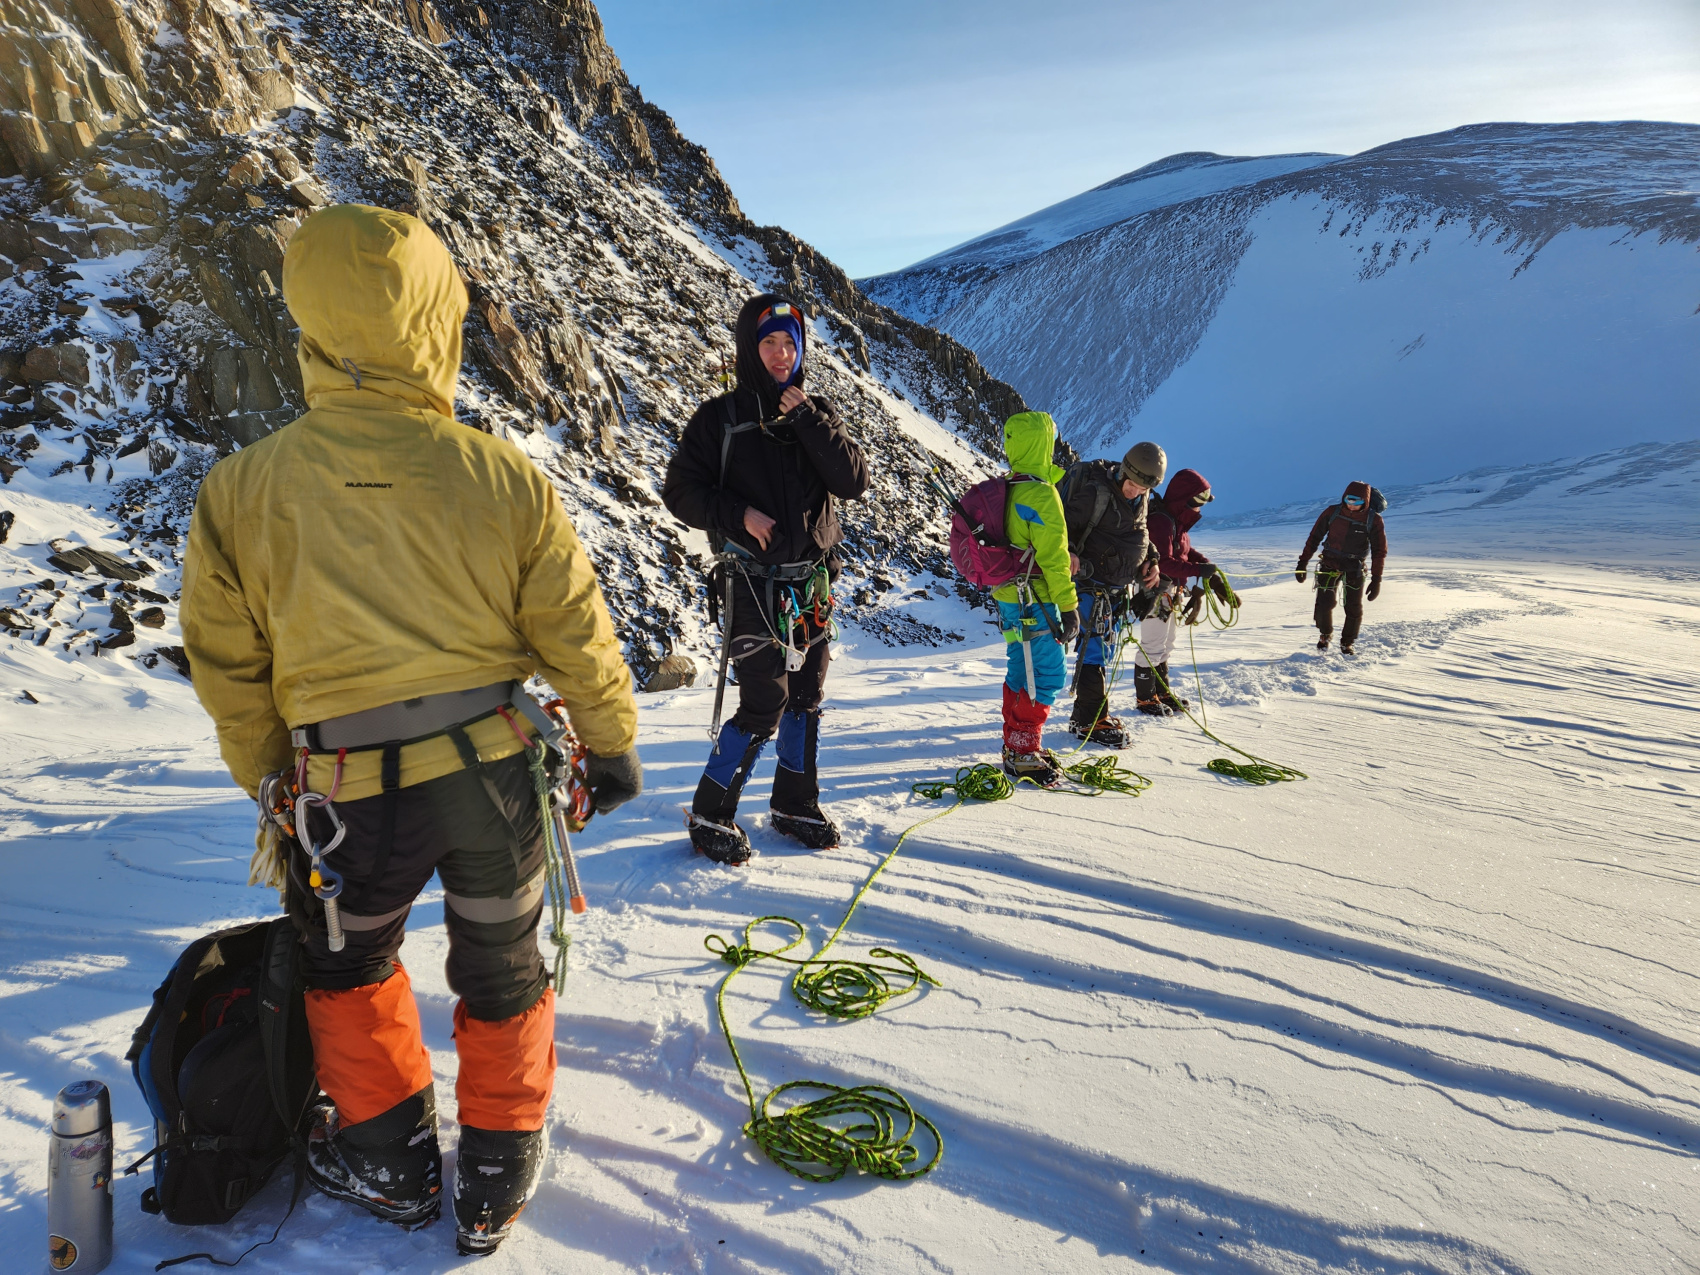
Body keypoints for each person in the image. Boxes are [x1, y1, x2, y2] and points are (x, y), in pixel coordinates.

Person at [181, 205, 643, 1257]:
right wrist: (610, 744)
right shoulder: (500, 474)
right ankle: (499, 1168)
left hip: (344, 795)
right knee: (502, 960)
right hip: (490, 780)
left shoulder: (241, 493)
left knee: (346, 966)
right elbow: (573, 627)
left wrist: (270, 786)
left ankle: (391, 1161)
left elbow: (233, 671)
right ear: (437, 317)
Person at [662, 293, 870, 864]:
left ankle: (795, 803)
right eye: (770, 342)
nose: (781, 354)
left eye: (791, 343)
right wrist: (738, 516)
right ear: (749, 349)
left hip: (810, 582)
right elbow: (680, 491)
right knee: (765, 699)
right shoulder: (720, 420)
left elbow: (852, 480)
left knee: (805, 694)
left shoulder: (816, 411)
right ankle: (711, 810)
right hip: (751, 581)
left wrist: (807, 420)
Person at [992, 411, 1080, 786]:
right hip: (1036, 599)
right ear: (1043, 444)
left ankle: (1016, 744)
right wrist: (1070, 606)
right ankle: (1024, 752)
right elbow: (1055, 559)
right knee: (1045, 673)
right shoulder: (1041, 494)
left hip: (1010, 596)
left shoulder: (1007, 488)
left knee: (1020, 664)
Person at [1062, 441, 1164, 747]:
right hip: (1092, 585)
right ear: (1122, 471)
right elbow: (1060, 527)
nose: (1133, 492)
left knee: (1102, 650)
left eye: (1141, 489)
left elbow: (1140, 534)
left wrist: (1152, 559)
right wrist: (1067, 552)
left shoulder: (1141, 500)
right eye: (1131, 485)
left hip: (1115, 591)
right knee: (1093, 649)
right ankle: (1089, 721)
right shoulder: (1096, 492)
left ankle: (1086, 716)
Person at [1137, 468, 1228, 715]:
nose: (1200, 508)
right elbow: (1163, 562)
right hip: (1155, 592)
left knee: (1166, 643)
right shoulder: (1161, 522)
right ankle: (1145, 698)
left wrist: (1203, 563)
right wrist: (1199, 569)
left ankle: (1161, 691)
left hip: (1170, 592)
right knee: (1153, 644)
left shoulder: (1176, 522)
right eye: (1198, 501)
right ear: (1184, 499)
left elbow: (1183, 551)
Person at [1296, 480, 1387, 654]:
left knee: (1353, 607)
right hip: (1330, 563)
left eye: (1357, 501)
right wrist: (1302, 562)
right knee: (1324, 603)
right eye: (1349, 500)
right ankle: (1325, 634)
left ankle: (1347, 642)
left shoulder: (1374, 520)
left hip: (1355, 568)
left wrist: (1377, 580)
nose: (1352, 505)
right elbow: (1314, 537)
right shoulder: (1332, 512)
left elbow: (1379, 551)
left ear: (1365, 502)